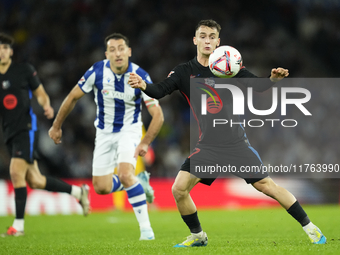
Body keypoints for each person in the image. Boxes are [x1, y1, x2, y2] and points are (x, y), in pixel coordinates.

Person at [128, 19, 326, 246]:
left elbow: (258, 85)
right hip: (208, 147)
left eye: (212, 36)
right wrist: (144, 85)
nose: (207, 40)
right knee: (179, 189)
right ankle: (198, 236)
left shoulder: (229, 66)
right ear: (195, 40)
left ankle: (311, 229)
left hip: (236, 143)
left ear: (218, 42)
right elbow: (160, 90)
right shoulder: (185, 72)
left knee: (267, 187)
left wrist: (272, 80)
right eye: (202, 36)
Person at [49, 33, 164, 240]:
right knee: (100, 187)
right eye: (112, 49)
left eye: (121, 49)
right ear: (106, 54)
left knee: (125, 173)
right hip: (103, 133)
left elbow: (158, 115)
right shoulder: (97, 71)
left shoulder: (140, 75)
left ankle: (146, 231)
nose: (117, 53)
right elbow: (73, 96)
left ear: (129, 52)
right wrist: (57, 126)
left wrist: (145, 142)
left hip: (129, 130)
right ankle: (138, 182)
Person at [0, 33, 90, 237]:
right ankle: (78, 192)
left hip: (26, 128)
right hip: (8, 132)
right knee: (36, 181)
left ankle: (19, 226)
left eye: (6, 48)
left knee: (15, 172)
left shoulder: (24, 71)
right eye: (0, 48)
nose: (2, 51)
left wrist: (47, 105)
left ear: (11, 52)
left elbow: (40, 93)